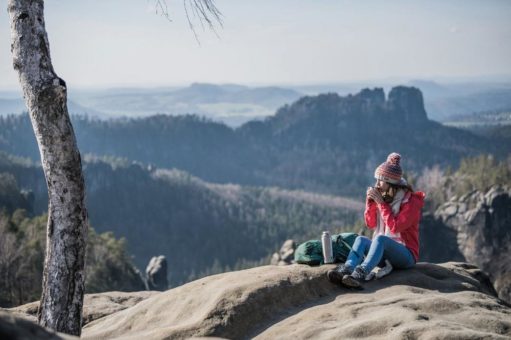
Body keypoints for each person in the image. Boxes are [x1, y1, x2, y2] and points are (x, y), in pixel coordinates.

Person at [327, 152, 425, 288]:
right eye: (376, 180)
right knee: (360, 239)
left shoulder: (410, 201)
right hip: (385, 254)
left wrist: (381, 204)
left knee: (380, 240)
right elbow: (371, 223)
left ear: (390, 183)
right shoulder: (385, 197)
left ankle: (361, 273)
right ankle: (347, 270)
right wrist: (370, 202)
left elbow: (395, 227)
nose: (377, 184)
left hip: (406, 255)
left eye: (380, 180)